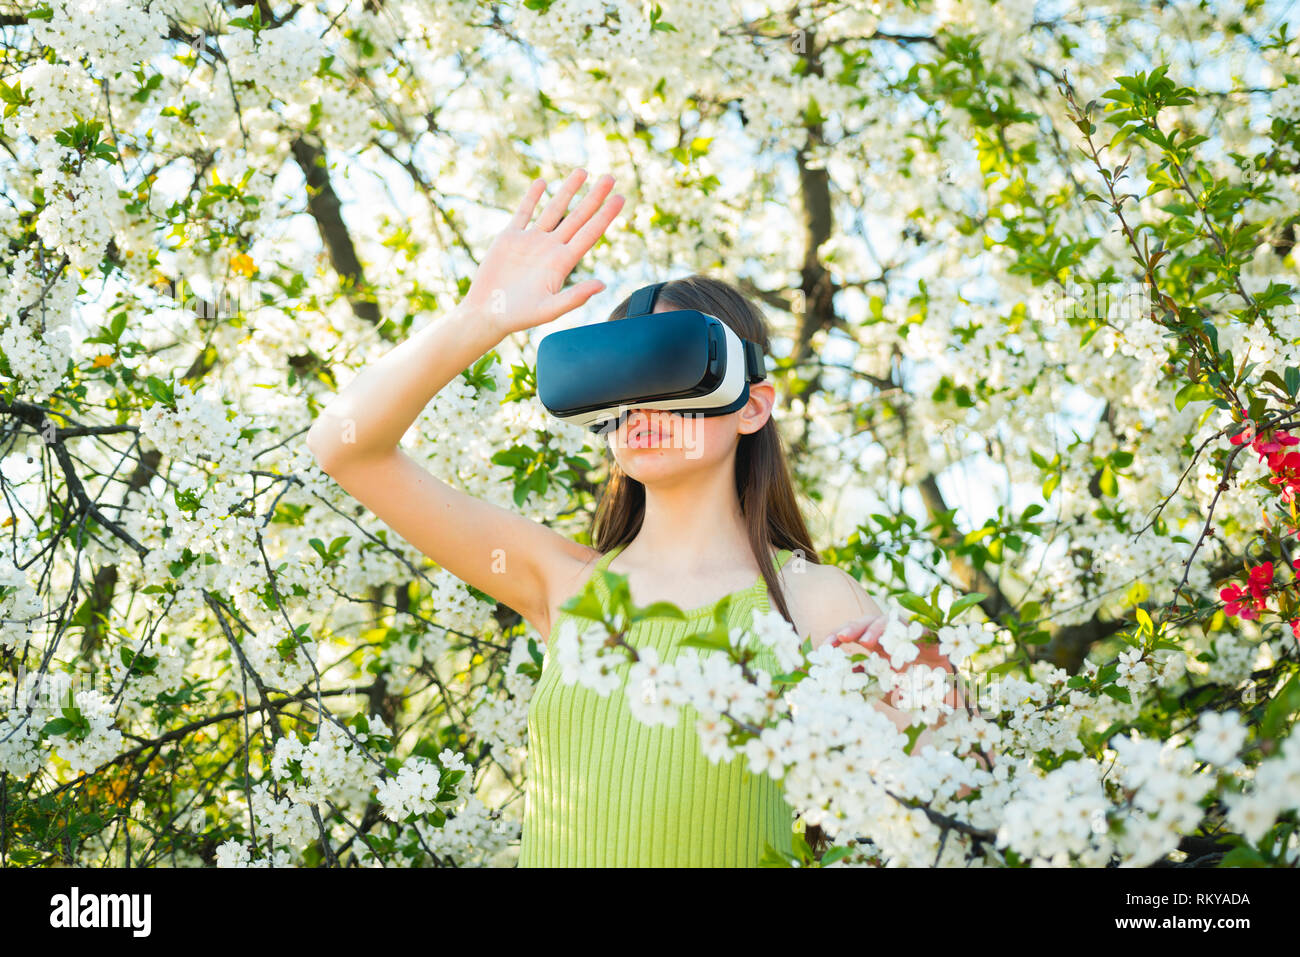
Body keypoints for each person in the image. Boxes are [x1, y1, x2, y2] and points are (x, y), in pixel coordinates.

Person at [306, 168, 959, 866]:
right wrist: (480, 317)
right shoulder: (559, 582)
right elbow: (346, 448)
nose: (639, 404)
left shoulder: (810, 600)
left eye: (668, 363)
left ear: (752, 405)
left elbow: (945, 793)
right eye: (618, 373)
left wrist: (928, 692)